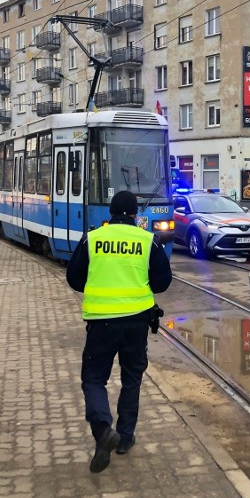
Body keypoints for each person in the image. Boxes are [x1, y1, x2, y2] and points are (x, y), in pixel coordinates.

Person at [66, 190, 172, 473]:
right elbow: (162, 283)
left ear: (110, 212)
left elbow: (73, 278)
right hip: (137, 322)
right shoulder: (148, 240)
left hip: (101, 323)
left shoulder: (93, 238)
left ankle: (103, 430)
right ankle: (124, 438)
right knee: (131, 379)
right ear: (135, 213)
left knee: (93, 379)